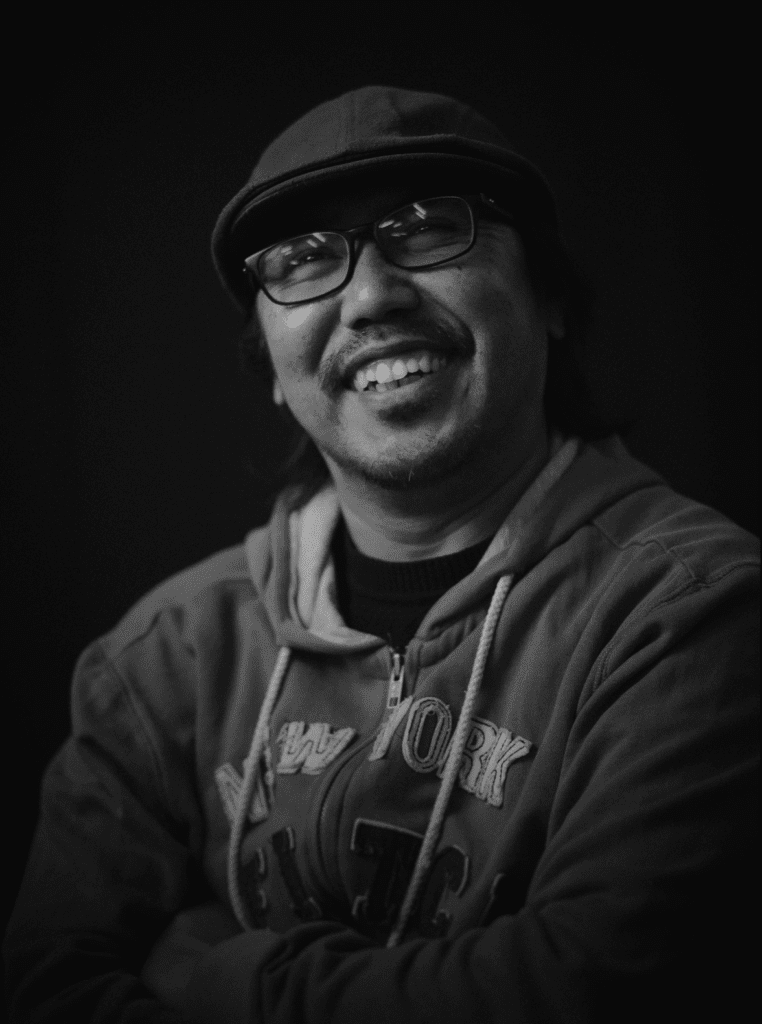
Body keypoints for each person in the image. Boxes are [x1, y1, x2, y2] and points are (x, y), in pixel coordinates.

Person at [4, 85, 759, 1024]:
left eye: (429, 227)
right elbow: (42, 992)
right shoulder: (160, 664)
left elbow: (593, 987)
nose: (370, 296)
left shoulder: (691, 610)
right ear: (271, 366)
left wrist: (226, 985)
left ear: (552, 299)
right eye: (302, 259)